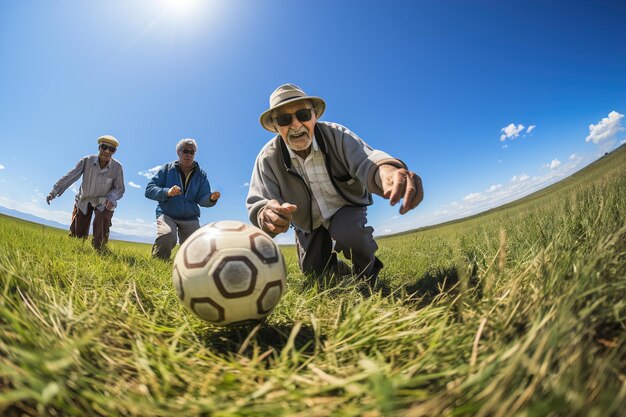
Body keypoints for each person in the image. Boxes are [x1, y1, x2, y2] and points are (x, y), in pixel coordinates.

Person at [247, 84, 424, 282]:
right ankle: (338, 269)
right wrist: (266, 214)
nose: (296, 125)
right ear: (275, 126)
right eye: (284, 119)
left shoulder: (337, 135)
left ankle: (367, 274)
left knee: (349, 233)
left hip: (344, 207)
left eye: (303, 115)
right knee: (314, 273)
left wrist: (387, 171)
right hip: (307, 222)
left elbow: (368, 160)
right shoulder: (267, 159)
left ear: (315, 116)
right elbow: (260, 200)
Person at [145, 138, 221, 260]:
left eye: (192, 152)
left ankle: (185, 266)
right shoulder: (166, 169)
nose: (189, 155)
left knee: (197, 246)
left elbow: (202, 199)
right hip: (167, 214)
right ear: (178, 152)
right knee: (167, 236)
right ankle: (159, 261)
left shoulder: (201, 175)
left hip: (190, 217)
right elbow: (149, 190)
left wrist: (211, 198)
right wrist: (167, 192)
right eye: (186, 151)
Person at [46, 135, 125, 251]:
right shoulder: (87, 161)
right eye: (104, 147)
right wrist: (54, 191)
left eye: (111, 149)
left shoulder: (117, 167)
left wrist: (112, 197)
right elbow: (71, 176)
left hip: (103, 200)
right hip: (84, 198)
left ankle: (99, 248)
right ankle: (77, 247)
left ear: (114, 152)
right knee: (77, 236)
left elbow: (120, 188)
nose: (107, 151)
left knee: (103, 220)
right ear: (99, 147)